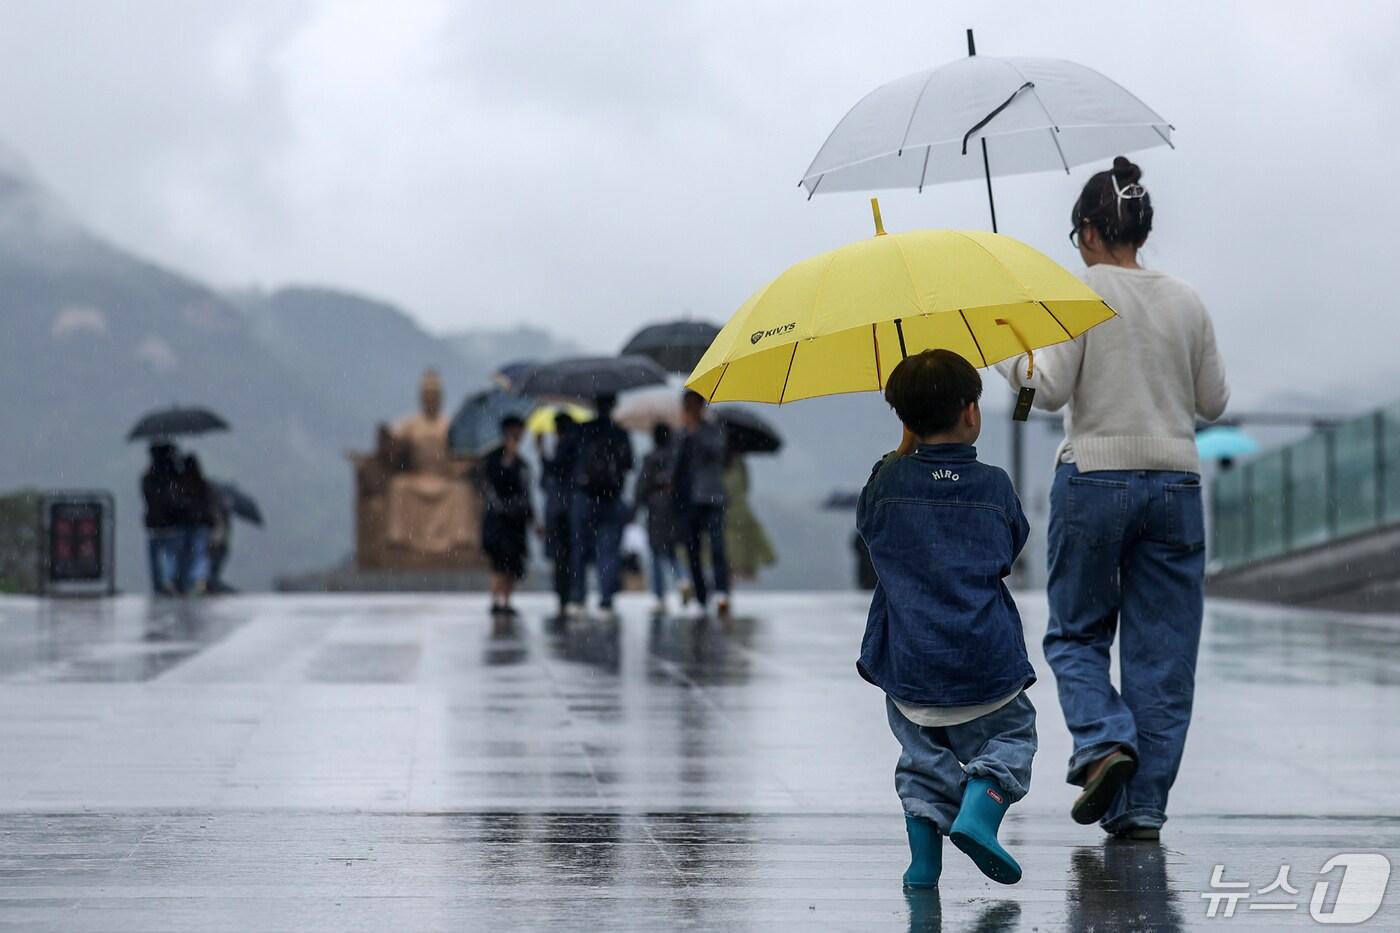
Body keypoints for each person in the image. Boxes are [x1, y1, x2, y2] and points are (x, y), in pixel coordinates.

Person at [998, 156, 1229, 841]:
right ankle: (1143, 808)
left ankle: (1102, 742)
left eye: (1078, 234)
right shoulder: (1186, 298)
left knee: (1076, 633)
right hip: (1176, 485)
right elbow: (1213, 402)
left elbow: (1049, 392)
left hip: (1095, 478)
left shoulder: (1080, 293)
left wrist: (1014, 356)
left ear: (1093, 231)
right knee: (1163, 655)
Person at [857, 349, 1036, 891]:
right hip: (986, 657)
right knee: (1011, 736)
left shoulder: (886, 484)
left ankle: (923, 865)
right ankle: (980, 817)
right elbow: (1011, 547)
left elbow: (870, 529)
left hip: (911, 657)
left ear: (904, 420)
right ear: (973, 412)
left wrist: (900, 455)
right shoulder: (995, 485)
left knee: (921, 757)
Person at [566, 395, 633, 617]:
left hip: (584, 497)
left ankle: (578, 597)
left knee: (579, 550)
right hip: (612, 499)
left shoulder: (582, 430)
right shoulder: (620, 433)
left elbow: (566, 461)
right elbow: (628, 465)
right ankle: (606, 599)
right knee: (608, 551)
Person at [674, 390, 730, 617]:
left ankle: (721, 592)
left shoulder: (713, 428)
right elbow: (676, 465)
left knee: (717, 546)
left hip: (711, 497)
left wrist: (696, 432)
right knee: (692, 550)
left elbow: (718, 451)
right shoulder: (679, 434)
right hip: (688, 499)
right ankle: (700, 595)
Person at [479, 415, 534, 616]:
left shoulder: (522, 464)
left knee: (513, 563)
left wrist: (531, 518)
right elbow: (489, 487)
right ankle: (495, 599)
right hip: (498, 520)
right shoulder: (493, 459)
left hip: (516, 521)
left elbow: (526, 493)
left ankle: (507, 599)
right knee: (498, 563)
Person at [632, 423, 686, 614]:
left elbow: (642, 486)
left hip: (656, 510)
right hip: (674, 509)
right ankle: (683, 580)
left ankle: (659, 595)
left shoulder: (651, 458)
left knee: (656, 553)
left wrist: (636, 508)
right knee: (671, 552)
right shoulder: (677, 456)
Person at [538, 412, 578, 618]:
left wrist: (542, 453)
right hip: (569, 509)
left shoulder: (565, 449)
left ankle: (565, 595)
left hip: (560, 510)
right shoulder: (576, 448)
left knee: (562, 557)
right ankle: (570, 595)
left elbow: (549, 476)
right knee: (569, 556)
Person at [721, 448, 776, 581]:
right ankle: (756, 563)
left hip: (722, 508)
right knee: (750, 534)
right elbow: (746, 486)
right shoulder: (740, 465)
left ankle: (725, 578)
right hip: (739, 507)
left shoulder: (717, 463)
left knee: (723, 543)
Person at [140, 442, 182, 595]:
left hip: (153, 521)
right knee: (170, 555)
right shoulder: (172, 476)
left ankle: (158, 585)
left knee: (155, 557)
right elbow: (176, 498)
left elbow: (147, 497)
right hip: (171, 521)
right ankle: (169, 581)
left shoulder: (148, 477)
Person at [174, 453, 215, 595]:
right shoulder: (202, 483)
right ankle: (200, 581)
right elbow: (209, 503)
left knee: (184, 555)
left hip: (183, 523)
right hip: (201, 523)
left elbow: (175, 504)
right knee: (200, 553)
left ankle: (185, 583)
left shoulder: (179, 483)